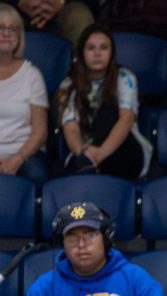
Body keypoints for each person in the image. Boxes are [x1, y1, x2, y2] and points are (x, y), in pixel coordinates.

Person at [16, 201, 167, 296]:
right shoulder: (43, 288)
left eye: (90, 235)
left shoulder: (138, 281)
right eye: (72, 237)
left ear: (106, 238)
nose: (81, 245)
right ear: (62, 243)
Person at [55, 24, 152, 179]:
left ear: (112, 52)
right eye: (91, 48)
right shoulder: (69, 84)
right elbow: (71, 128)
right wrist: (83, 155)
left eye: (103, 48)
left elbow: (125, 121)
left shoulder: (125, 77)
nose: (97, 53)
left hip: (123, 149)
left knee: (109, 110)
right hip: (85, 151)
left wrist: (99, 155)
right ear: (81, 53)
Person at [0, 4, 48, 184]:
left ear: (19, 37)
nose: (6, 33)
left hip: (25, 153)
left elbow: (40, 132)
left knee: (36, 175)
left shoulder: (32, 75)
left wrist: (17, 158)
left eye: (12, 29)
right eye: (0, 28)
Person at [7, 0, 94, 47]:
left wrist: (60, 2)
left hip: (65, 9)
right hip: (13, 8)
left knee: (79, 17)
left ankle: (80, 77)